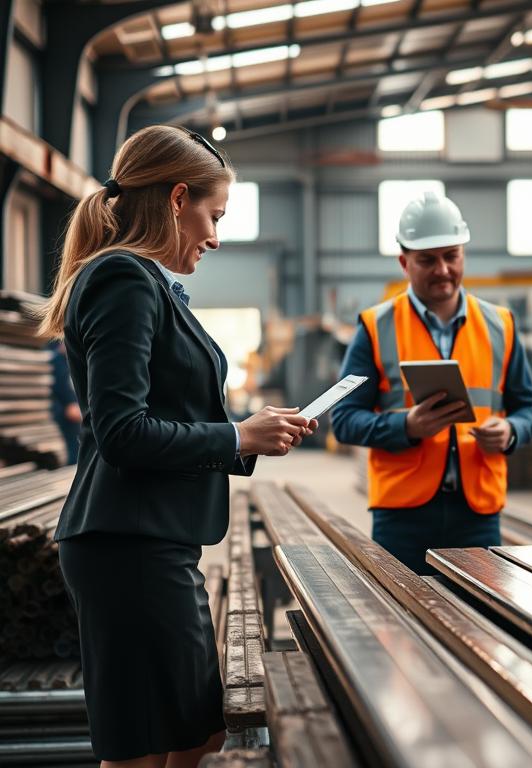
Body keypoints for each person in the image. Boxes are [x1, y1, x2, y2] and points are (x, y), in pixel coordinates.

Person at [37, 125, 316, 768]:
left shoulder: (146, 283)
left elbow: (166, 407)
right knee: (149, 745)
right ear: (176, 198)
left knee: (194, 730)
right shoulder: (123, 280)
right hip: (127, 546)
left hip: (152, 540)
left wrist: (248, 435)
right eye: (213, 216)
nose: (215, 237)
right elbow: (122, 432)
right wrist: (236, 436)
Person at [332, 191, 532, 575]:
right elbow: (344, 419)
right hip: (401, 517)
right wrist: (405, 427)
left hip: (477, 512)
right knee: (400, 626)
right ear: (404, 261)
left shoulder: (501, 325)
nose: (443, 270)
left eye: (452, 256)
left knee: (479, 626)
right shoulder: (376, 327)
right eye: (427, 260)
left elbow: (531, 408)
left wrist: (512, 430)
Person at [48, 339, 82, 465]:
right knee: (74, 446)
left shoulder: (66, 360)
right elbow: (60, 385)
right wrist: (70, 403)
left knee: (76, 446)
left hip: (71, 406)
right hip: (64, 409)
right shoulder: (57, 360)